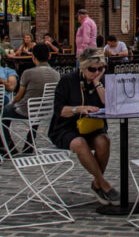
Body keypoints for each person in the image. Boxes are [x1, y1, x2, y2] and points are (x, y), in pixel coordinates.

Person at [49, 47, 119, 205]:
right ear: (82, 67)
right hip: (66, 127)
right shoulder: (68, 80)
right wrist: (78, 109)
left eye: (100, 69)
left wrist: (97, 83)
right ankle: (103, 183)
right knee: (79, 143)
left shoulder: (101, 79)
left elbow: (109, 104)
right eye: (92, 69)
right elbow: (59, 110)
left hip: (93, 127)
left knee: (104, 141)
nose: (96, 72)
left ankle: (97, 184)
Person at [3, 43, 60, 150]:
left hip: (26, 110)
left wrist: (12, 102)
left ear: (33, 57)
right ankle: (30, 141)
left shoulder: (28, 73)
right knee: (37, 106)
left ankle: (8, 144)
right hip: (45, 110)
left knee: (3, 111)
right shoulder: (56, 74)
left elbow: (19, 95)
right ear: (49, 56)